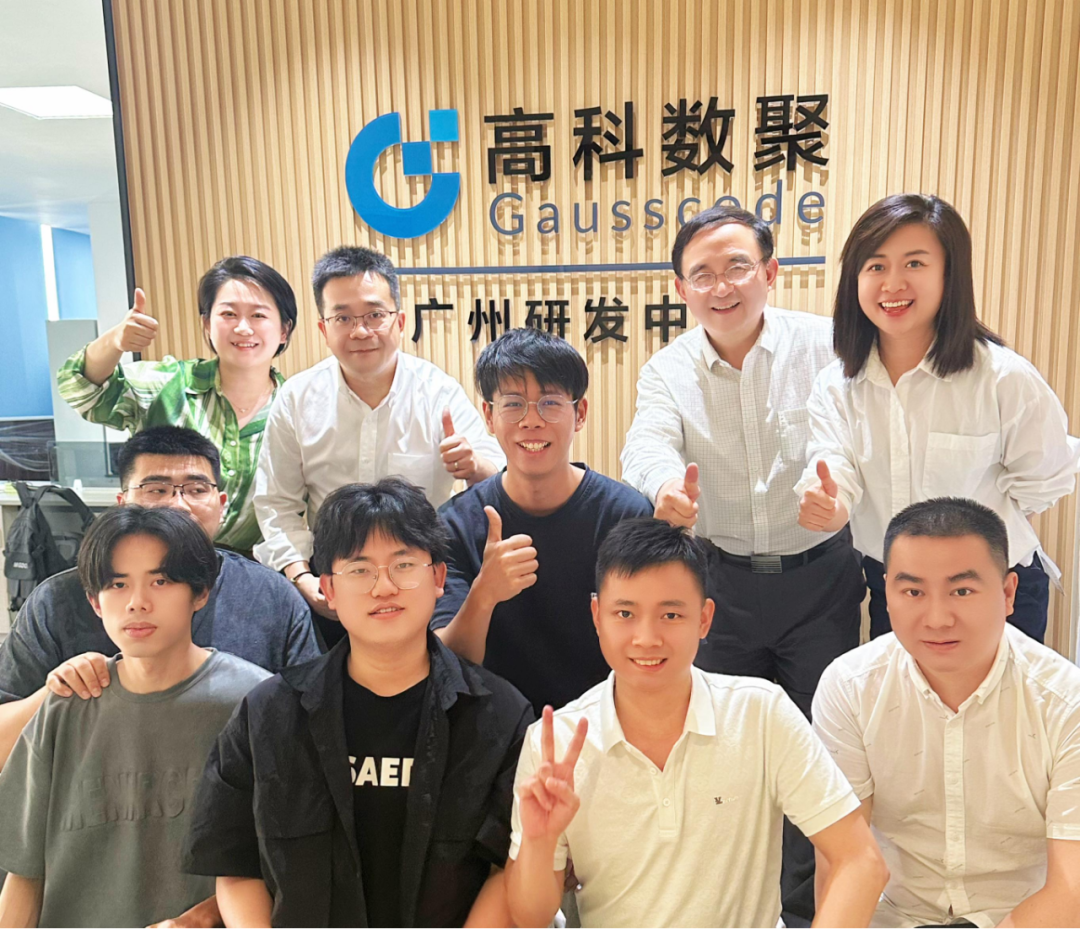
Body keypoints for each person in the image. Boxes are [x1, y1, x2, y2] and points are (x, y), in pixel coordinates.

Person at [619, 204, 865, 925]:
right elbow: (646, 443)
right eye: (702, 274)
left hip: (819, 580)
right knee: (724, 748)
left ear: (770, 271)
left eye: (736, 267)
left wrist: (838, 495)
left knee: (820, 749)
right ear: (680, 288)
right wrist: (664, 486)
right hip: (719, 585)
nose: (721, 286)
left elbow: (853, 439)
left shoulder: (824, 347)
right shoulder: (668, 369)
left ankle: (804, 910)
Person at [504, 517, 888, 929]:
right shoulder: (555, 743)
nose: (646, 638)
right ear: (597, 615)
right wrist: (540, 843)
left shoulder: (760, 713)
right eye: (625, 613)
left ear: (704, 618)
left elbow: (860, 860)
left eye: (670, 615)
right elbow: (530, 918)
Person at [184, 479, 534, 929]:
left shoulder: (499, 716)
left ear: (438, 579)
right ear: (328, 589)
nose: (384, 587)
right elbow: (235, 863)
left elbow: (508, 867)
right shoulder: (269, 713)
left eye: (403, 565)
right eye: (359, 569)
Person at [796, 194, 1079, 642]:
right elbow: (834, 466)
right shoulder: (837, 385)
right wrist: (832, 508)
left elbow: (1046, 478)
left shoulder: (1002, 377)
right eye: (875, 266)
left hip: (992, 588)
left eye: (914, 263)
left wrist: (982, 534)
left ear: (950, 274)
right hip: (897, 587)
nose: (892, 284)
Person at [813, 498, 1080, 928]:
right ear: (887, 592)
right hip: (894, 916)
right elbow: (844, 862)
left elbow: (1071, 888)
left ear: (1008, 593)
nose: (937, 619)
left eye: (962, 591)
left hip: (1022, 916)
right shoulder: (849, 689)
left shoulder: (1066, 702)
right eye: (913, 592)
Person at [0, 505, 271, 929]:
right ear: (94, 601)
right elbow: (24, 873)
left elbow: (282, 862)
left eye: (160, 581)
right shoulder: (67, 703)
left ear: (200, 592)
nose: (137, 603)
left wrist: (201, 918)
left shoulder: (256, 703)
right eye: (117, 584)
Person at [0, 426, 319, 769]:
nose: (178, 505)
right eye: (157, 489)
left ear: (221, 505)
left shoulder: (273, 598)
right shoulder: (56, 601)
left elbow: (313, 726)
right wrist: (54, 694)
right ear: (122, 503)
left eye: (196, 489)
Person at [254, 246, 504, 643]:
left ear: (399, 321)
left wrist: (474, 466)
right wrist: (302, 577)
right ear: (323, 329)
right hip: (333, 581)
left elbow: (498, 476)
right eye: (343, 318)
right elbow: (276, 503)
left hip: (418, 578)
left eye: (374, 315)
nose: (360, 331)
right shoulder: (297, 399)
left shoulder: (437, 392)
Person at [432, 327, 653, 714]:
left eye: (550, 403)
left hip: (602, 722)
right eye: (513, 404)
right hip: (492, 729)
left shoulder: (625, 515)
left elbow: (645, 642)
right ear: (489, 415)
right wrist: (485, 593)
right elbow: (448, 665)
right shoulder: (455, 524)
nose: (531, 420)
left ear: (579, 413)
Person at [57, 255, 298, 554]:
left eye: (259, 315)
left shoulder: (295, 407)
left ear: (284, 330)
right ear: (207, 323)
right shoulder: (168, 384)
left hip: (246, 568)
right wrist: (114, 342)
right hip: (154, 556)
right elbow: (80, 389)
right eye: (228, 314)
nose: (243, 328)